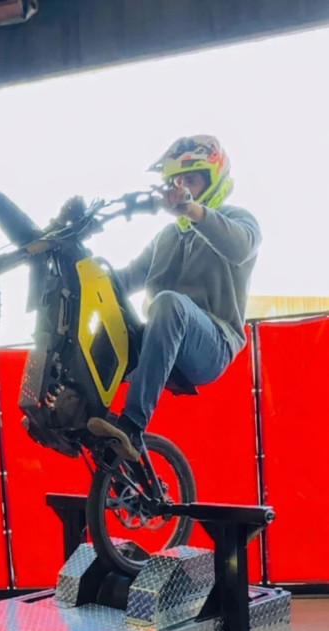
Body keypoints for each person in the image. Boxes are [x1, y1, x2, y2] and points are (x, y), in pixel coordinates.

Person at [88, 134, 261, 461]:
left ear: (214, 179)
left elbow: (240, 247)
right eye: (177, 181)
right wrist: (84, 270)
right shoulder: (166, 237)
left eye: (191, 179)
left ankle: (132, 425)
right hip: (162, 336)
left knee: (168, 303)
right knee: (114, 317)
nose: (181, 187)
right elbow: (123, 282)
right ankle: (75, 414)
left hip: (213, 345)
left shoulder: (239, 220)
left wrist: (193, 211)